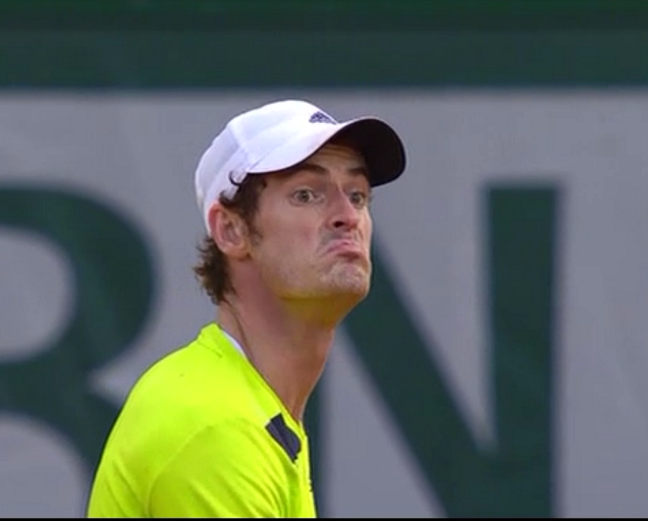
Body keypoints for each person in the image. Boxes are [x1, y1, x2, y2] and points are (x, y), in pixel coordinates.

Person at [86, 99, 407, 518]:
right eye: (306, 195)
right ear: (231, 230)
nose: (347, 216)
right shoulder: (215, 426)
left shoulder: (246, 409)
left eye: (358, 196)